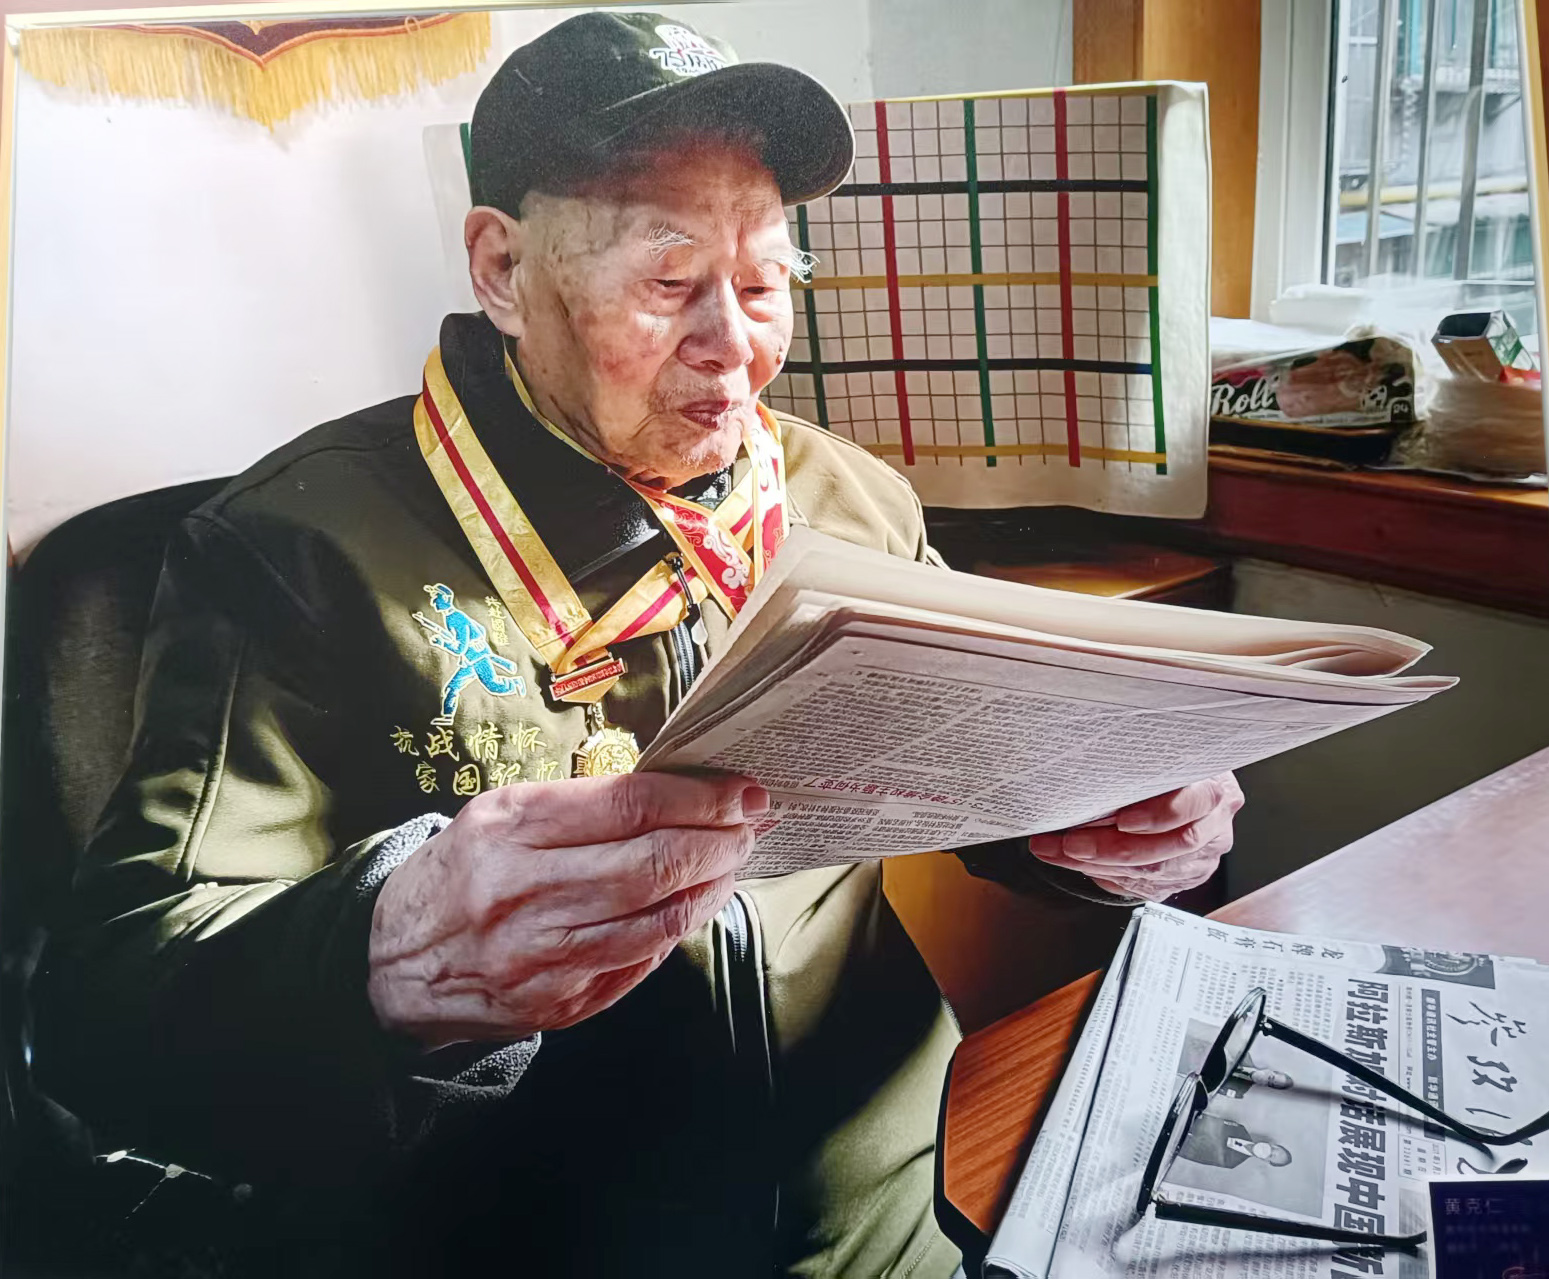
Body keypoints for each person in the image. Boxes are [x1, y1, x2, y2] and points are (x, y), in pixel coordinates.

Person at [32, 12, 1243, 1276]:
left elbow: (964, 764)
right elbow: (105, 1019)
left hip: (888, 1213)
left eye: (766, 283)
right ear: (502, 269)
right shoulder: (298, 549)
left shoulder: (845, 497)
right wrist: (390, 946)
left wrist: (1102, 821)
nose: (735, 350)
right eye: (668, 285)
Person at [1178, 1116, 1294, 1171]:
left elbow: (1195, 1156)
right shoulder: (1239, 1128)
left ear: (1266, 1161)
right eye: (1274, 1148)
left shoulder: (1231, 1162)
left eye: (1271, 1155)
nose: (1268, 1150)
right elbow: (1205, 1119)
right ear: (1272, 1143)